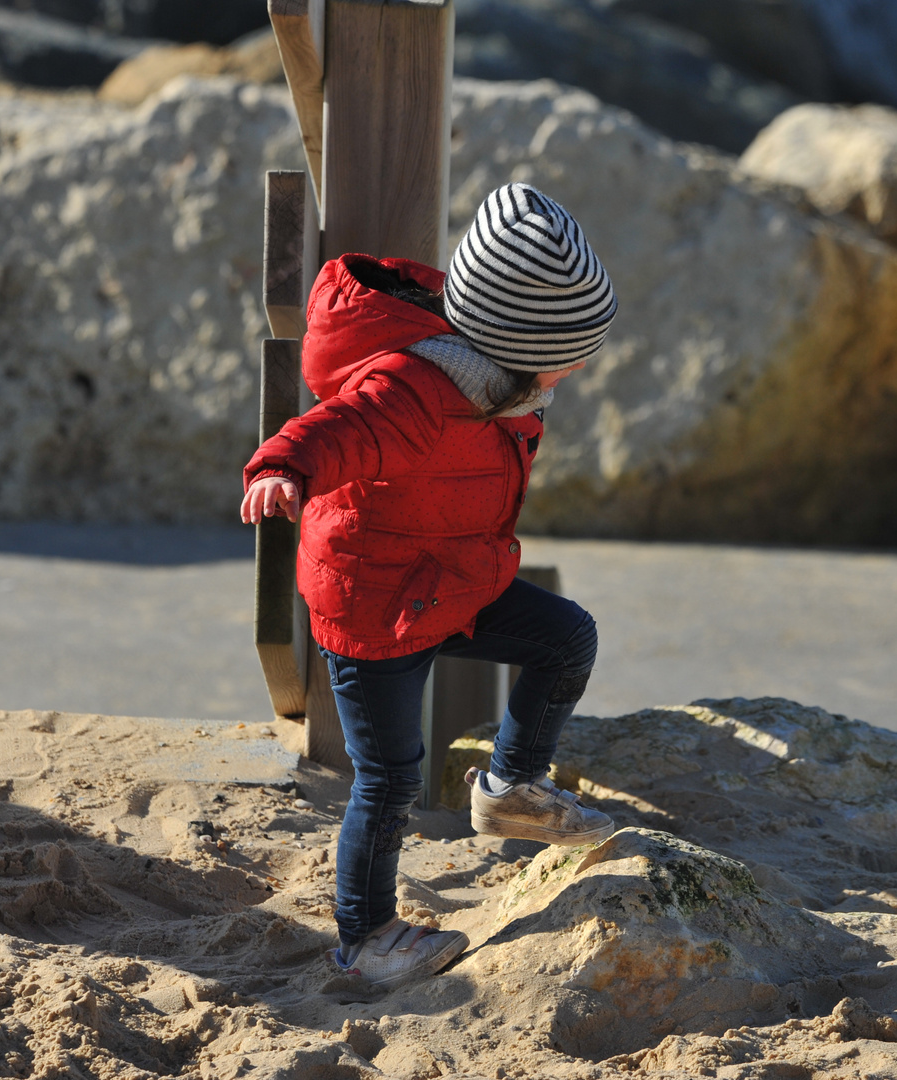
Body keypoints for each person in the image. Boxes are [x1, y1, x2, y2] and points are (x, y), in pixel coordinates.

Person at [240, 183, 619, 991]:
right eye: (571, 349)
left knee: (565, 637)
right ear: (515, 336)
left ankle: (511, 786)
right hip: (375, 608)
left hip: (450, 581)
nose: (581, 366)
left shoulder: (505, 385)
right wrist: (282, 468)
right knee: (388, 782)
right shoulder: (415, 389)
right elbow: (334, 429)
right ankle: (366, 938)